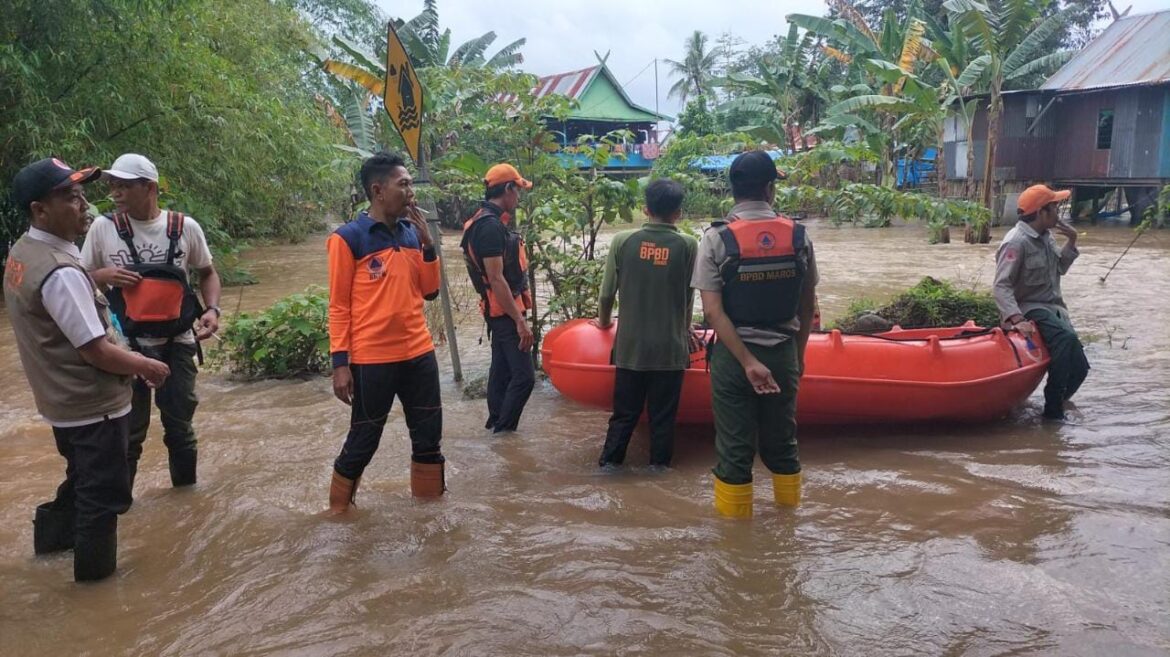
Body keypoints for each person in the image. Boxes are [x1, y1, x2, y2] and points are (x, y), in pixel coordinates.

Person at [5, 158, 169, 581]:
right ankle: (95, 590)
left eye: (81, 194)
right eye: (70, 197)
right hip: (92, 406)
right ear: (40, 210)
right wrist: (146, 365)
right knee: (102, 500)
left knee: (81, 482)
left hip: (61, 402)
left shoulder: (25, 251)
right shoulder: (61, 273)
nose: (84, 206)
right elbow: (96, 350)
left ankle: (50, 552)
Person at [81, 153, 221, 490]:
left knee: (181, 429)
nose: (114, 191)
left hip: (178, 345)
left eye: (124, 185)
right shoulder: (103, 228)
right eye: (112, 184)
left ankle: (186, 505)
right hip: (125, 350)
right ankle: (121, 510)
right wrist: (103, 274)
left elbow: (208, 273)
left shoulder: (185, 228)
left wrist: (212, 310)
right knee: (127, 434)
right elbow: (78, 281)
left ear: (150, 188)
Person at [692, 151, 818, 518]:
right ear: (769, 188)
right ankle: (787, 527)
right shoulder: (798, 236)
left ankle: (737, 546)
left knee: (734, 451)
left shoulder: (716, 239)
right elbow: (807, 307)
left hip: (734, 359)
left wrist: (747, 362)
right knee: (783, 445)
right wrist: (799, 355)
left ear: (732, 190)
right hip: (783, 352)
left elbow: (713, 312)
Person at [327, 152, 445, 513]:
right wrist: (340, 364)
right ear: (378, 190)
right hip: (372, 359)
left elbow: (429, 292)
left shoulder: (412, 235)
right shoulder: (348, 238)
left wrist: (428, 245)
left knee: (428, 441)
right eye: (404, 184)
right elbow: (338, 305)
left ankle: (429, 518)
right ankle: (337, 515)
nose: (411, 192)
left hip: (419, 354)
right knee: (363, 440)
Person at [594, 179, 698, 469]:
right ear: (678, 212)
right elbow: (688, 298)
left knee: (624, 415)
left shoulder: (622, 241)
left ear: (645, 209)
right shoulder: (689, 245)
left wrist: (603, 324)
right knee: (663, 419)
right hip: (670, 350)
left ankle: (609, 468)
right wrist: (684, 328)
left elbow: (605, 295)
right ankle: (659, 473)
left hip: (631, 348)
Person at [993, 184, 1089, 421]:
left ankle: (1059, 400)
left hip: (1054, 308)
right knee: (1065, 340)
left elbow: (1060, 269)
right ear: (1041, 212)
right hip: (1030, 307)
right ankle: (1053, 412)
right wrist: (1016, 319)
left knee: (1080, 367)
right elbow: (1001, 285)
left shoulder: (1046, 237)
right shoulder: (1016, 242)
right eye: (1055, 208)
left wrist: (1072, 240)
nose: (1059, 213)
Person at [460, 163, 535, 433]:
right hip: (504, 311)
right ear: (507, 189)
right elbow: (496, 278)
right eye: (518, 190)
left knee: (502, 371)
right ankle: (503, 432)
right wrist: (519, 321)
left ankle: (495, 425)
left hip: (497, 310)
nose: (518, 197)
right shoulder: (490, 227)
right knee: (525, 378)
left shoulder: (483, 221)